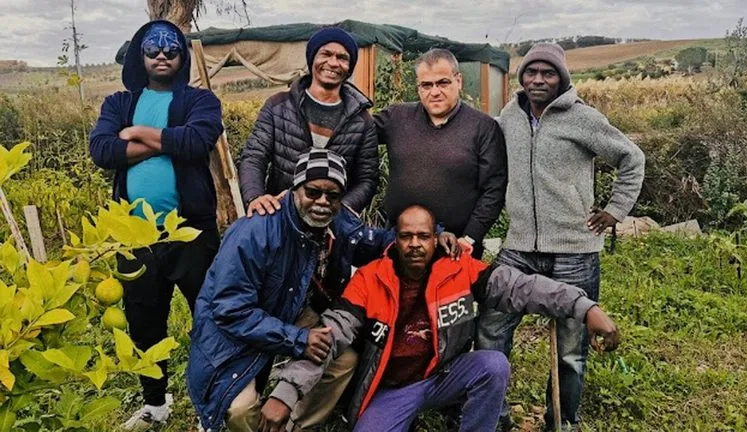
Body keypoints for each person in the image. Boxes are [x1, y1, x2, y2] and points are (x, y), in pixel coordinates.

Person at [259, 205, 620, 432]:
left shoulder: (459, 268)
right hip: (392, 388)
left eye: (423, 236)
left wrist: (586, 308)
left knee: (492, 364)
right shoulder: (369, 279)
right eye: (406, 236)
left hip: (443, 375)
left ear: (436, 239)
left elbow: (521, 287)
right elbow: (330, 334)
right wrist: (286, 393)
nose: (415, 244)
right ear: (395, 240)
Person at [188, 149, 459, 432]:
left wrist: (434, 235)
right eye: (313, 192)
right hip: (235, 329)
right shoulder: (255, 231)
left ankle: (296, 426)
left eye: (332, 195)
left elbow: (377, 242)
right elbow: (230, 310)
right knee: (240, 408)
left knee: (343, 359)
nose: (322, 202)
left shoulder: (337, 221)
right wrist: (298, 339)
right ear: (296, 189)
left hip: (292, 309)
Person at [476, 43, 645, 431]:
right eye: (531, 72)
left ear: (562, 78)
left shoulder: (583, 118)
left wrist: (615, 209)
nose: (538, 80)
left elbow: (632, 158)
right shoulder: (509, 117)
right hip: (519, 246)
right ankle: (493, 417)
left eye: (548, 73)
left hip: (574, 250)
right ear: (521, 77)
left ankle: (561, 422)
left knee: (571, 349)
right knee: (490, 329)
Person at [89, 20, 223, 431]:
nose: (162, 54)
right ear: (139, 55)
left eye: (170, 48)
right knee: (144, 321)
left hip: (191, 232)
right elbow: (102, 150)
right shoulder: (119, 103)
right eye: (152, 48)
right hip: (134, 237)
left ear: (182, 55)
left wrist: (136, 134)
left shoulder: (200, 100)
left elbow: (197, 142)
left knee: (209, 318)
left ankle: (211, 405)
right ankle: (155, 403)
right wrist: (165, 141)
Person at [374, 48, 507, 258]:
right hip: (400, 244)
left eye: (443, 83)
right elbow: (357, 131)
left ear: (458, 81)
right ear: (418, 87)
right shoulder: (396, 118)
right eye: (427, 85)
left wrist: (470, 237)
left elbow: (494, 188)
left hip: (455, 250)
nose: (434, 92)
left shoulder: (483, 128)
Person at [239, 27, 378, 218]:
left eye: (342, 58)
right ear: (312, 58)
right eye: (325, 54)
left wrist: (342, 209)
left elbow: (367, 178)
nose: (333, 63)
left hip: (330, 221)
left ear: (350, 67)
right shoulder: (278, 106)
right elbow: (254, 156)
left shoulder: (361, 121)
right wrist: (255, 196)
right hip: (281, 215)